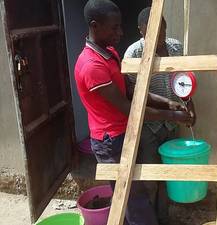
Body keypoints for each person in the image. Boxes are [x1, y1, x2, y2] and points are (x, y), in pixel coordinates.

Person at [75, 1, 194, 224]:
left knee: (134, 194)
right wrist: (172, 115)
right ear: (95, 26)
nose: (120, 33)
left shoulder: (108, 53)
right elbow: (128, 107)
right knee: (133, 198)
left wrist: (169, 104)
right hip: (110, 140)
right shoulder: (92, 65)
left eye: (120, 26)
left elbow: (132, 92)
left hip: (125, 132)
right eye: (114, 28)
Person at [124, 7, 196, 225]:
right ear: (141, 31)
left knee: (167, 174)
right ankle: (150, 220)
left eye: (162, 31)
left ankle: (164, 218)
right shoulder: (133, 54)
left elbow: (185, 82)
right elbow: (135, 94)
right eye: (152, 33)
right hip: (149, 126)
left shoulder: (176, 48)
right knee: (150, 179)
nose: (159, 38)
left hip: (172, 125)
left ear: (165, 27)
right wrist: (170, 109)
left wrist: (190, 106)